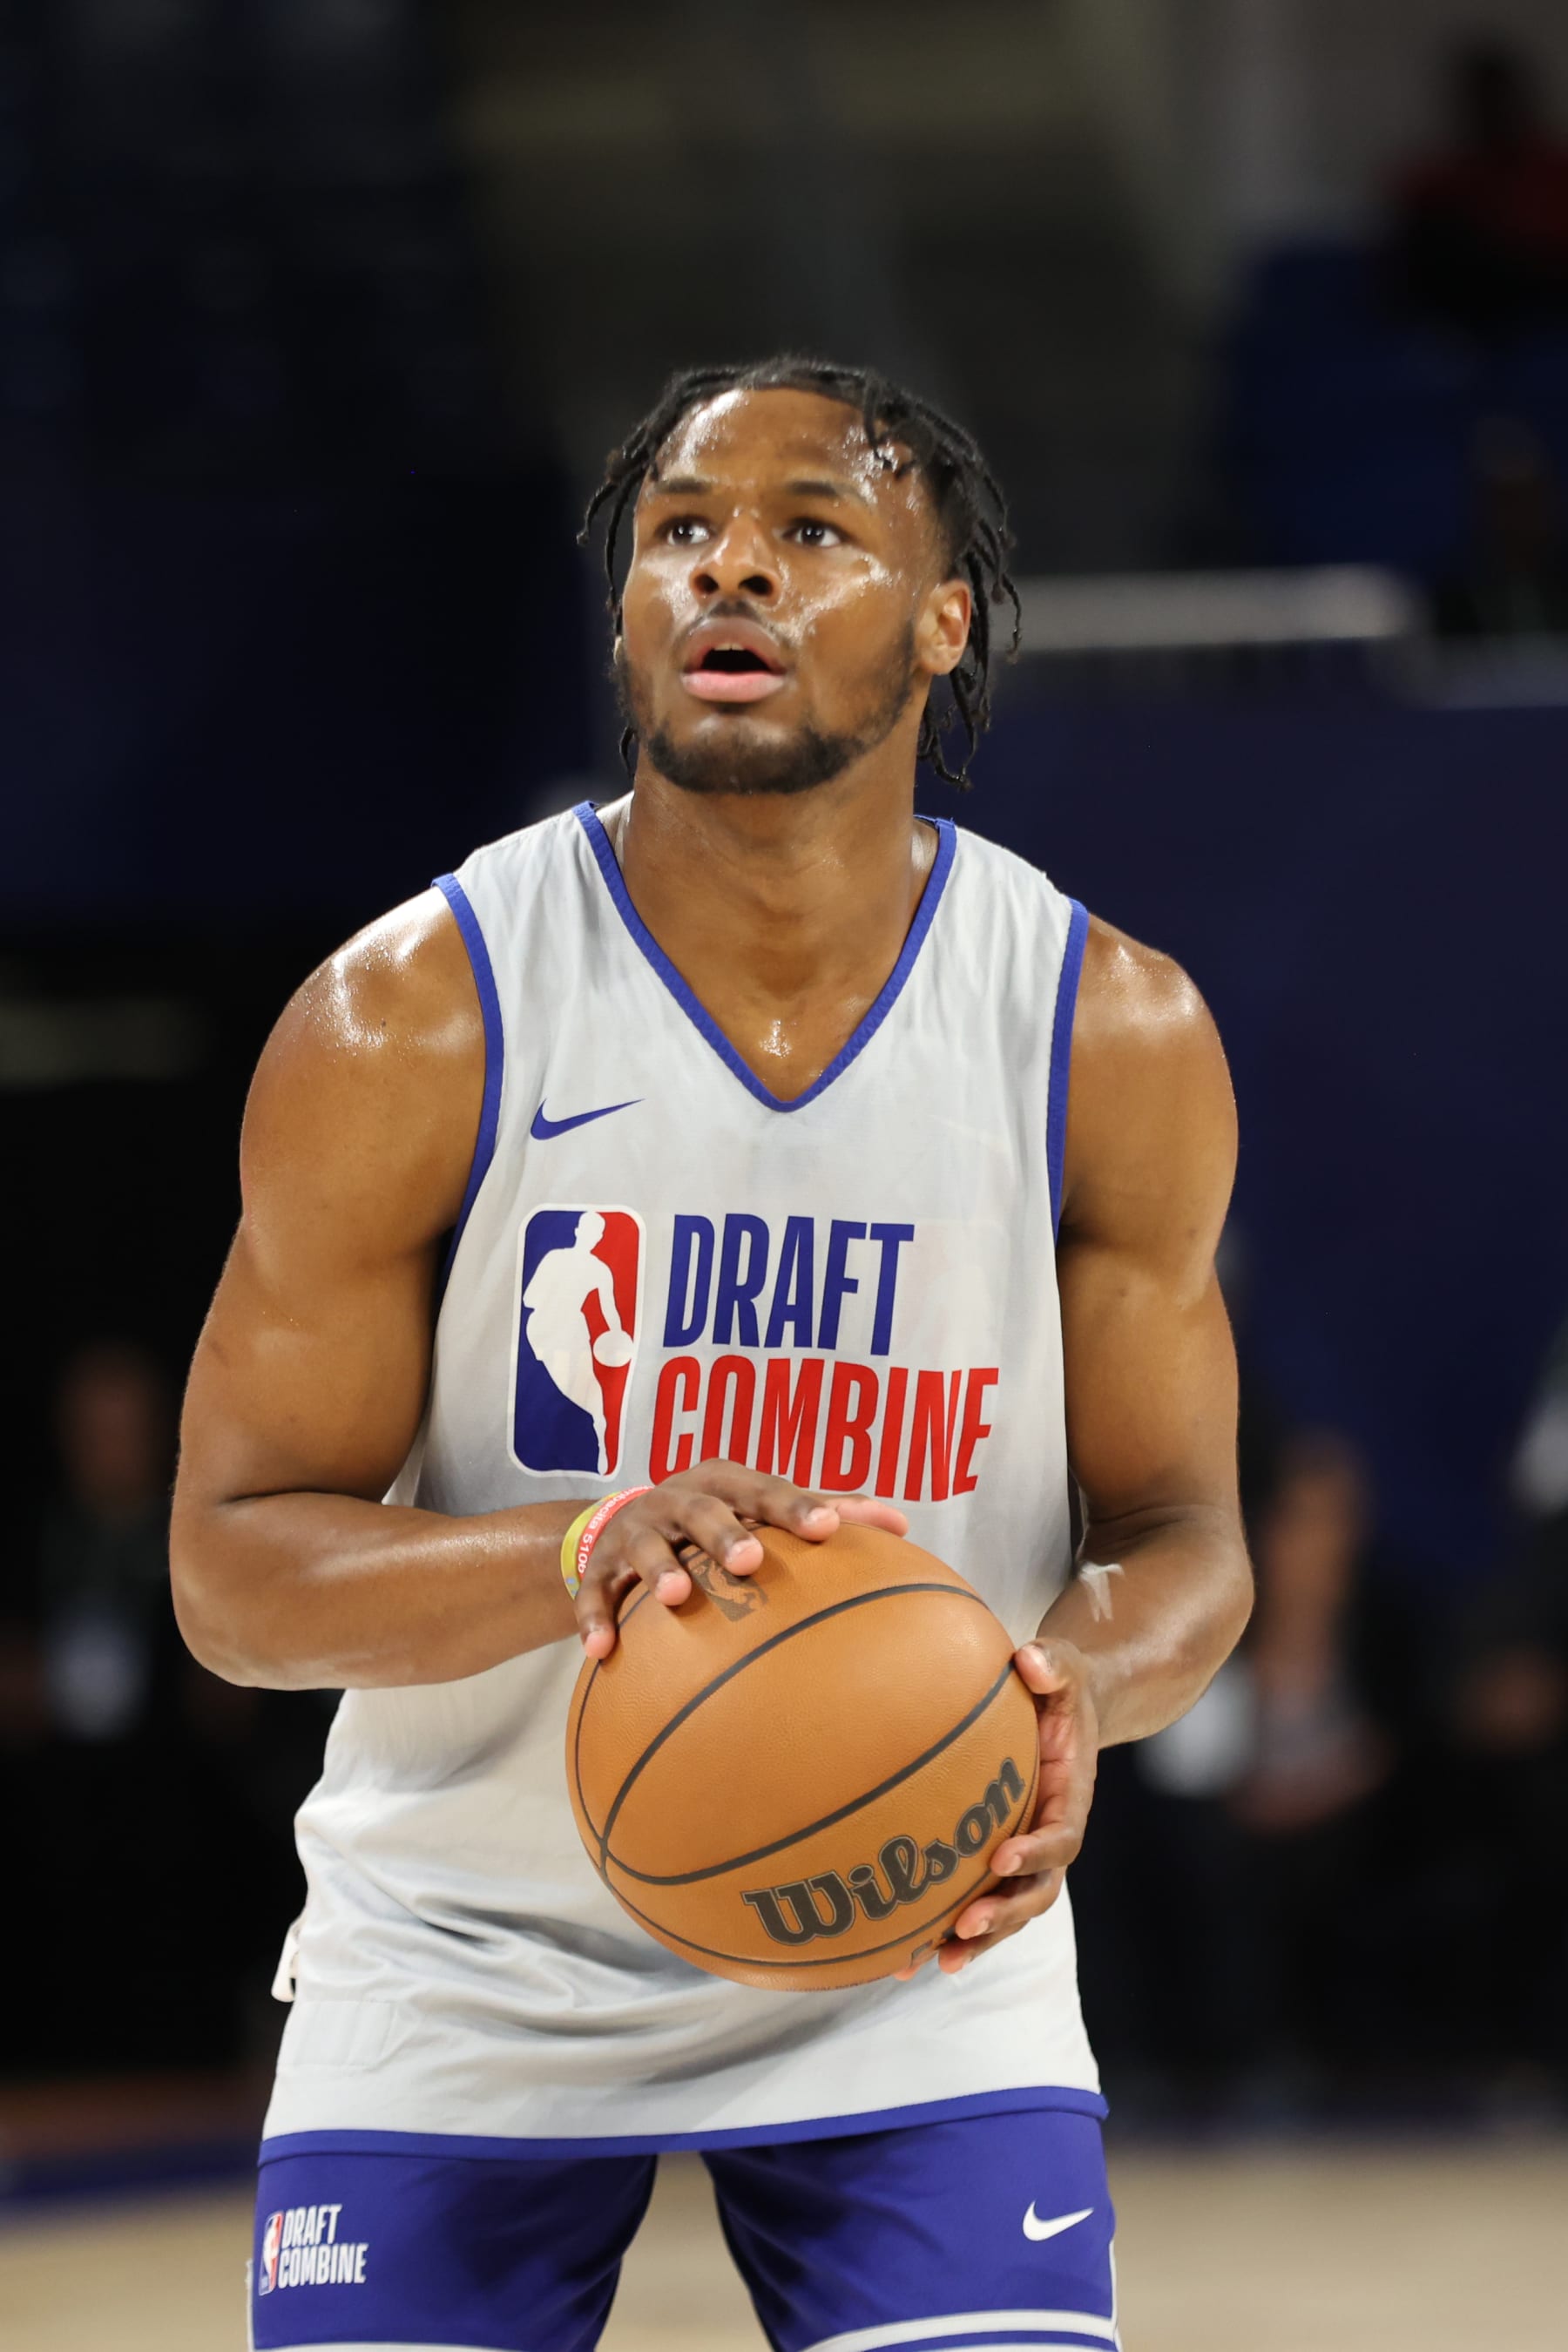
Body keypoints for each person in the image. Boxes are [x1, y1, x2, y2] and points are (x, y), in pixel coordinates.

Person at [171, 357, 1251, 2352]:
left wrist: (1066, 1695)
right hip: (467, 1956)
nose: (728, 569)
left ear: (943, 622)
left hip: (918, 1932)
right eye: (682, 531)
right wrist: (577, 1548)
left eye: (810, 530)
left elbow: (1188, 1540)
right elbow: (231, 1574)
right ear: (623, 614)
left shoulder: (1104, 1034)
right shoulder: (412, 1019)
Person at [1391, 38, 1568, 340]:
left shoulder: (1555, 171)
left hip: (1545, 295)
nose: (1495, 112)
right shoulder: (1436, 180)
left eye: (1502, 100)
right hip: (1468, 305)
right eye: (1483, 102)